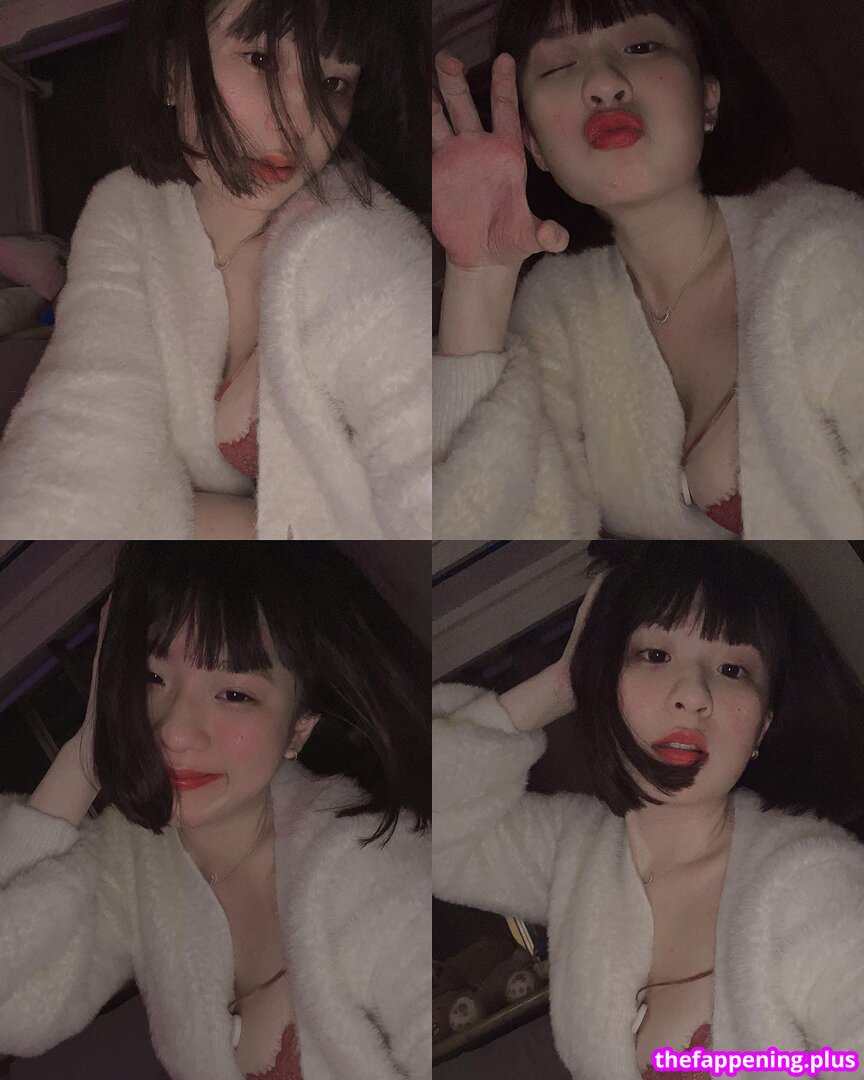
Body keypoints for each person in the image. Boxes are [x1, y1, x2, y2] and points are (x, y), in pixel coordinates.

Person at [432, 0, 864, 540]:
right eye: (559, 65)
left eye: (641, 46)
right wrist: (476, 280)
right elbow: (479, 522)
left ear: (708, 99)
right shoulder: (556, 317)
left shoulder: (831, 258)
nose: (604, 83)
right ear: (535, 145)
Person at [0, 0, 431, 540]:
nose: (299, 122)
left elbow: (418, 469)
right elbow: (78, 439)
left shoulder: (364, 248)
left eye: (332, 83)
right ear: (172, 72)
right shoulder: (127, 212)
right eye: (260, 60)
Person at [433, 542, 864, 1078]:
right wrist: (562, 685)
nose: (692, 694)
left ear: (763, 726)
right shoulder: (577, 855)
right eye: (656, 656)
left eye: (732, 669)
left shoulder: (813, 880)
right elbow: (423, 820)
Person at [0, 542, 430, 1080]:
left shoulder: (370, 866)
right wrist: (88, 751)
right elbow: (13, 1011)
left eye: (234, 694)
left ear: (299, 727)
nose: (174, 732)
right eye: (152, 678)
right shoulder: (137, 864)